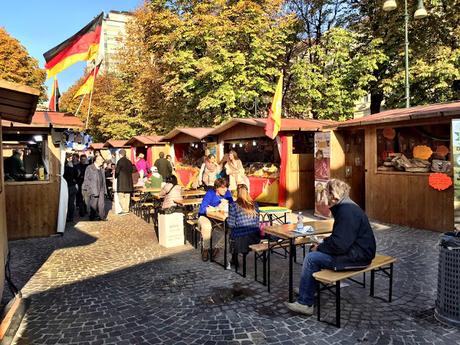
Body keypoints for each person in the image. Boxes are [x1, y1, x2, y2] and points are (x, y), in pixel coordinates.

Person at [286, 179, 376, 316]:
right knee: (315, 251)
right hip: (357, 252)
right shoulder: (346, 206)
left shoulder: (346, 211)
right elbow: (341, 238)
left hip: (358, 257)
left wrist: (320, 247)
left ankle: (305, 303)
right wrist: (322, 244)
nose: (324, 196)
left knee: (312, 258)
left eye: (325, 193)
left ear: (333, 195)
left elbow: (340, 245)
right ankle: (309, 289)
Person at [198, 178, 233, 262]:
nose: (226, 189)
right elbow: (202, 209)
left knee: (231, 228)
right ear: (217, 188)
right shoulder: (210, 193)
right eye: (223, 187)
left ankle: (217, 248)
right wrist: (215, 208)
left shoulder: (227, 193)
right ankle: (206, 250)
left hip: (220, 218)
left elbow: (232, 206)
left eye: (226, 187)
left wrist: (226, 205)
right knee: (206, 226)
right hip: (205, 216)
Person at [227, 184, 260, 268]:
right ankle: (236, 257)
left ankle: (234, 258)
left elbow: (231, 224)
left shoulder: (233, 205)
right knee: (238, 231)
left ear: (237, 193)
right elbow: (257, 221)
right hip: (255, 236)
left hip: (241, 239)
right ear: (247, 192)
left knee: (232, 232)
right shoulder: (255, 204)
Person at [82, 155, 107, 221]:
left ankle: (102, 216)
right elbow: (86, 179)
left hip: (101, 188)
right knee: (94, 204)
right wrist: (89, 189)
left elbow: (103, 180)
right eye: (101, 159)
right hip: (94, 189)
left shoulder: (101, 169)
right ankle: (92, 217)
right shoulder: (90, 167)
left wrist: (105, 190)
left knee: (101, 203)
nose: (102, 161)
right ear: (97, 160)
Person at [115, 149, 134, 215]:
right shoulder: (129, 161)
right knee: (127, 195)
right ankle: (126, 209)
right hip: (128, 181)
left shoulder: (120, 161)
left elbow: (117, 171)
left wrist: (115, 176)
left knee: (120, 195)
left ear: (120, 154)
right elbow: (132, 170)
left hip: (121, 181)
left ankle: (124, 209)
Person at [63, 155, 79, 222]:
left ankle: (67, 217)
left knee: (67, 203)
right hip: (72, 186)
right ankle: (71, 217)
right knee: (71, 203)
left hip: (67, 187)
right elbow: (77, 175)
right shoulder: (73, 167)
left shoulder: (64, 168)